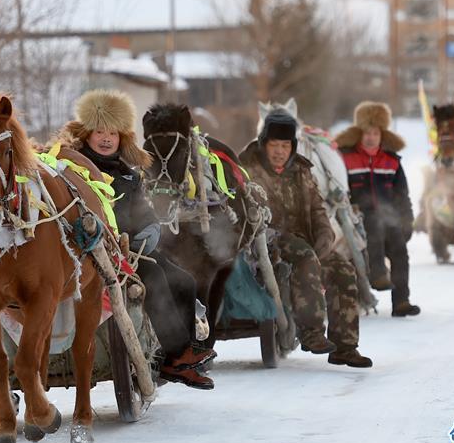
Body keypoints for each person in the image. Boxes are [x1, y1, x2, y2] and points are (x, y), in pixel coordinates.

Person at [59, 89, 215, 390]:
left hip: (132, 248)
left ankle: (183, 352)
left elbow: (141, 211)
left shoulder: (129, 174)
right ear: (87, 135)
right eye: (100, 132)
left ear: (122, 138)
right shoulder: (74, 169)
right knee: (154, 275)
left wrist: (152, 227)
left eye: (113, 133)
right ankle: (176, 355)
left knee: (185, 280)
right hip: (92, 250)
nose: (106, 139)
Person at [240, 109, 373, 368]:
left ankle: (345, 347)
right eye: (274, 145)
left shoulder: (301, 170)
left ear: (292, 146)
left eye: (285, 145)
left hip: (305, 240)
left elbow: (317, 208)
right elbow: (245, 211)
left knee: (343, 269)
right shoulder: (249, 168)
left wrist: (325, 233)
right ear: (264, 143)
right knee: (304, 255)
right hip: (266, 241)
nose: (279, 151)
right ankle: (311, 331)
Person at [335, 102, 420, 318]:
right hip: (356, 217)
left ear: (382, 135)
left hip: (389, 217)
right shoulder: (345, 158)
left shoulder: (392, 161)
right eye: (366, 133)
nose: (370, 137)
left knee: (400, 248)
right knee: (374, 221)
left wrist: (407, 221)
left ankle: (401, 301)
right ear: (359, 134)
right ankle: (378, 273)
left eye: (375, 133)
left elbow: (403, 196)